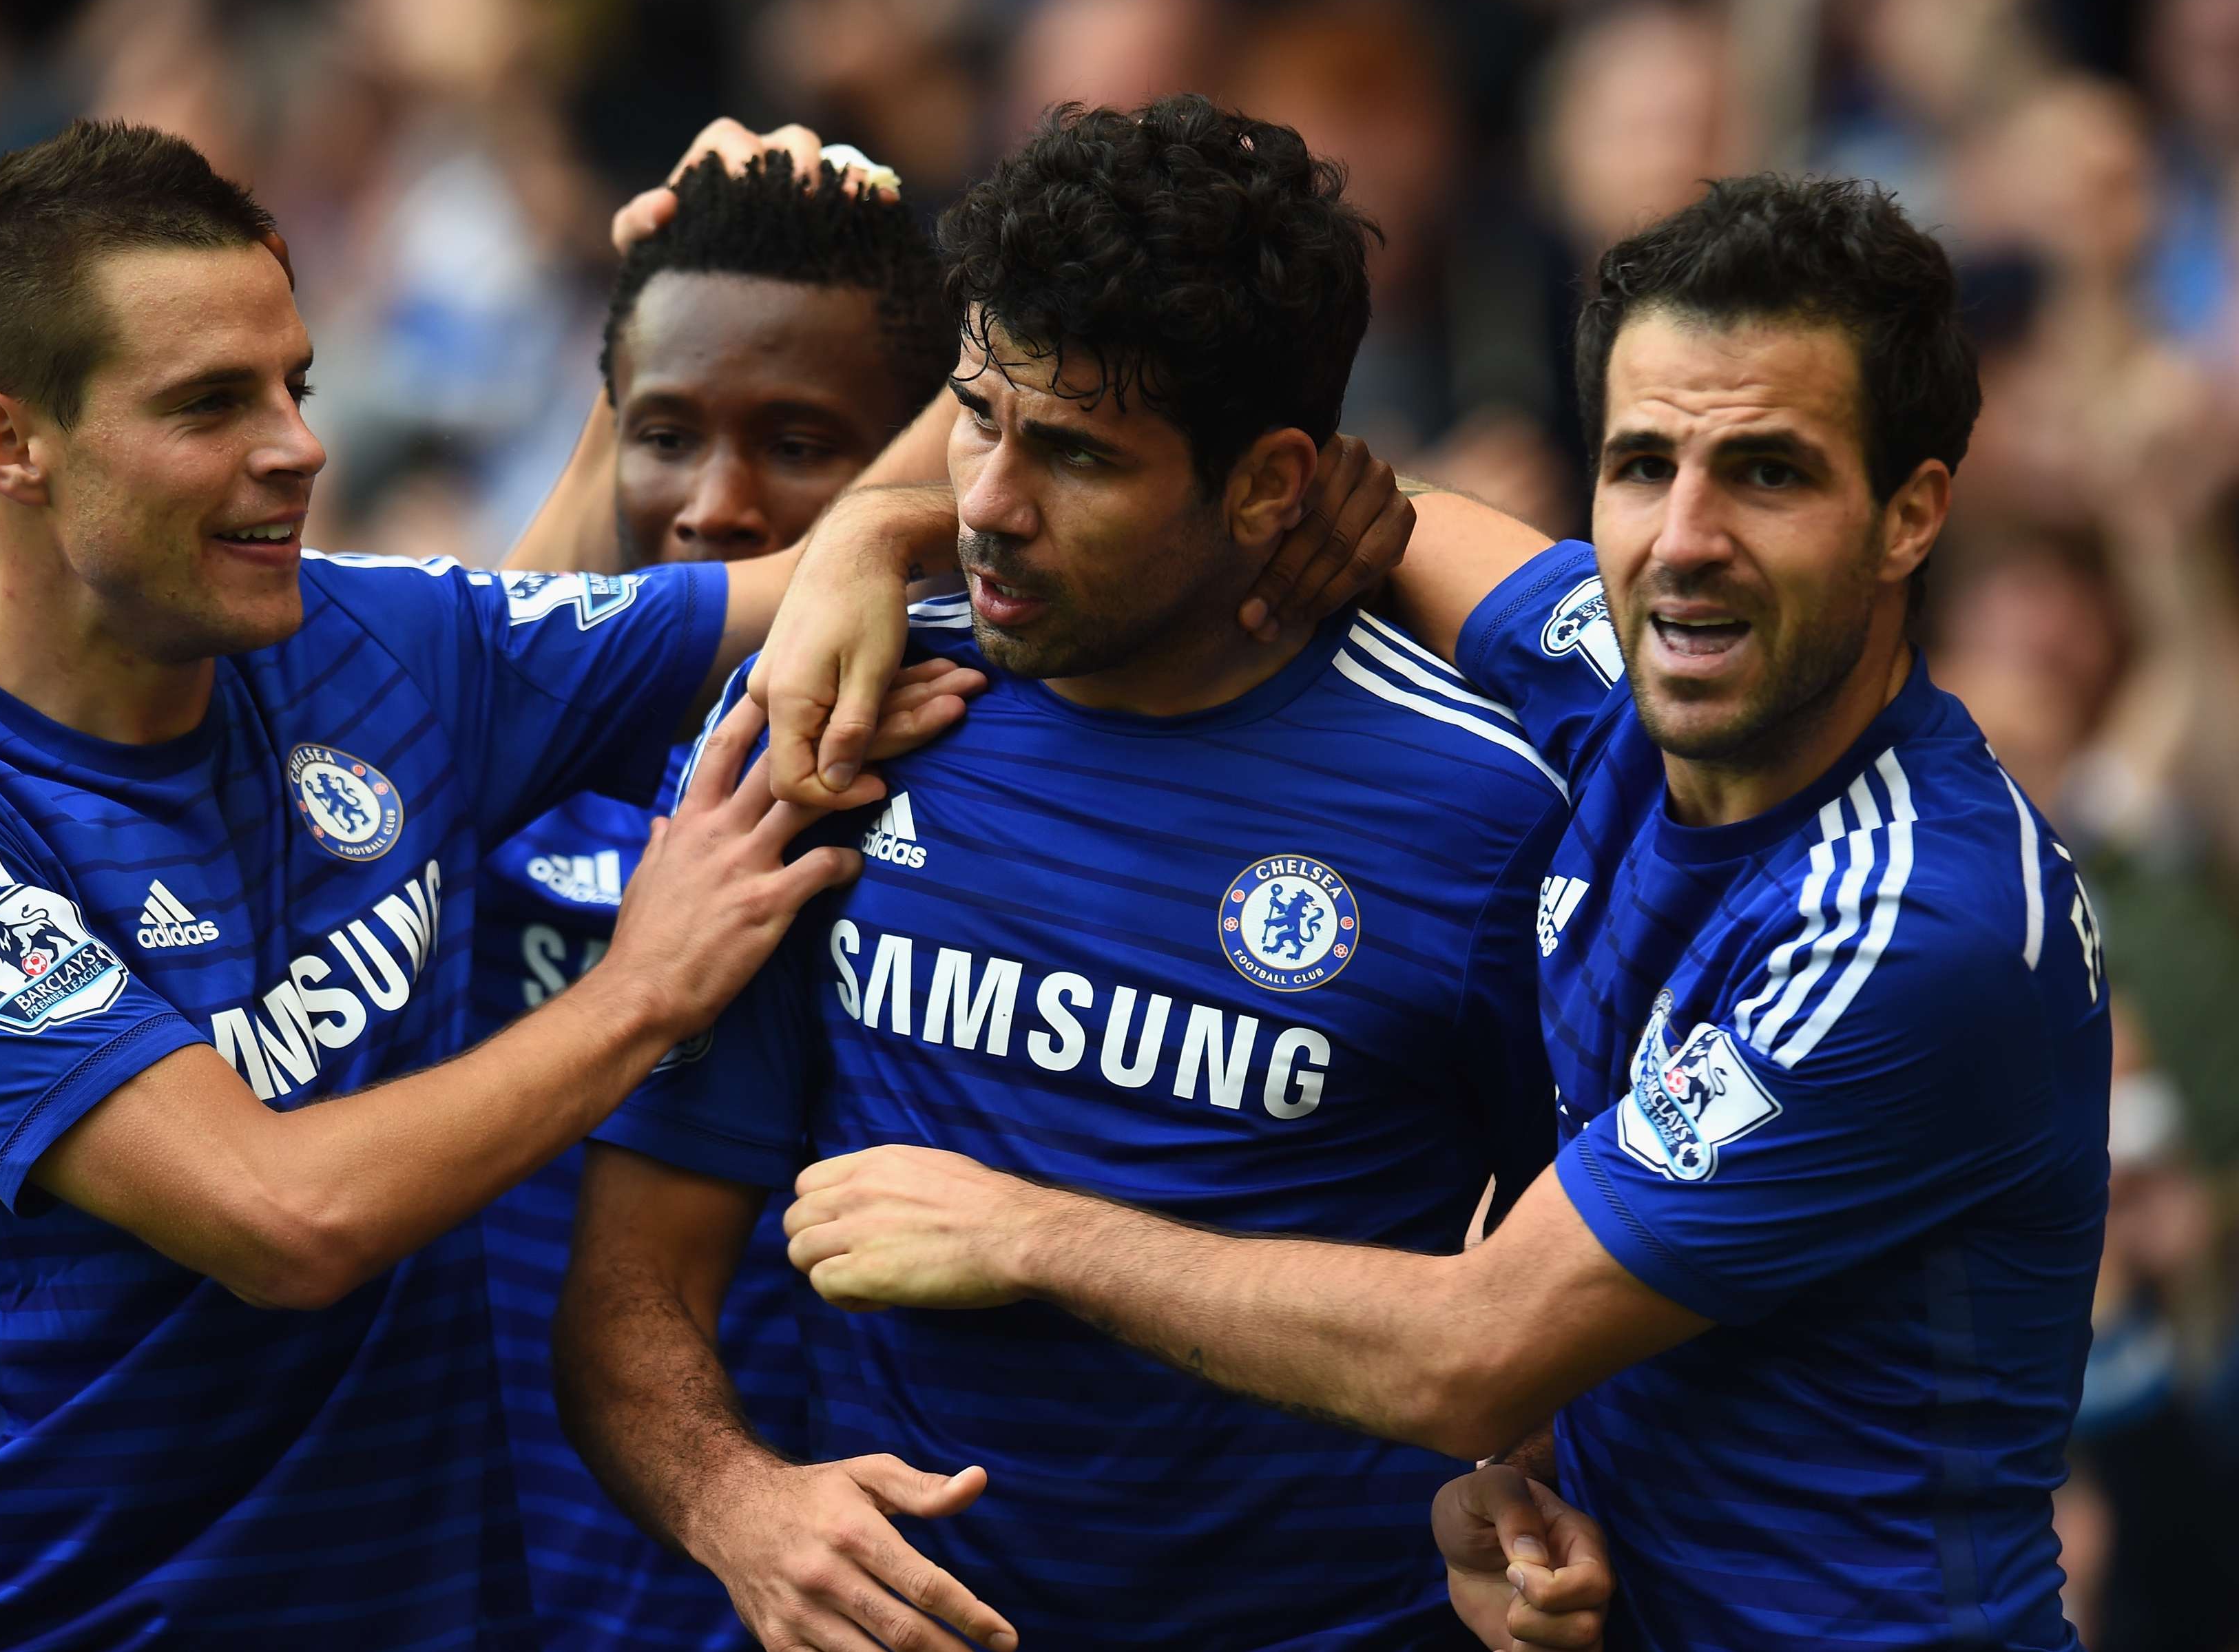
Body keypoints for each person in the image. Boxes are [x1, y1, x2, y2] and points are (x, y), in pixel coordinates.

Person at [758, 174, 2111, 1652]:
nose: (1686, 539)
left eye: (1771, 475)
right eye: (1644, 464)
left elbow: (1475, 1352)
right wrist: (870, 537)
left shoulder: (1910, 926)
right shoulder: (1624, 684)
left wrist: (1028, 1233)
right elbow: (1377, 511)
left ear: (1912, 516)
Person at [0, 118, 985, 1649]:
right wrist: (644, 988)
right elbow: (283, 1215)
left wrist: (1006, 319)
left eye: (294, 385)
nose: (299, 446)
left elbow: (789, 571)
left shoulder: (374, 644)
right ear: (11, 443)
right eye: (212, 403)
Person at [556, 97, 1562, 1652]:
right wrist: (737, 1505)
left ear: (1269, 481)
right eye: (975, 413)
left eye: (1079, 455)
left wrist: (1528, 1500)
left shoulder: (1487, 813)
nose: (989, 504)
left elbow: (1595, 1308)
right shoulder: (838, 713)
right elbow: (633, 1285)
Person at [474, 145, 958, 1652]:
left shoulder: (924, 760)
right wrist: (650, 307)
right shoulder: (491, 723)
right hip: (467, 1576)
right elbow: (520, 628)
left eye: (802, 440)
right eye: (666, 433)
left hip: (771, 1584)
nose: (715, 503)